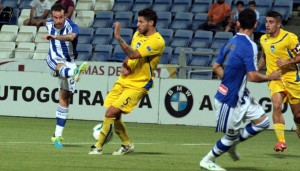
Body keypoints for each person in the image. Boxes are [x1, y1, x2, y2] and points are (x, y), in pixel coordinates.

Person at [199, 9, 282, 171]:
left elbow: (215, 66)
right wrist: (270, 77)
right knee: (230, 137)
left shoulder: (230, 41)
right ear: (256, 25)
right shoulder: (250, 46)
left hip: (241, 95)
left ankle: (230, 145)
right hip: (229, 100)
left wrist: (229, 80)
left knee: (263, 122)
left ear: (237, 23)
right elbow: (252, 76)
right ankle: (207, 160)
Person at [88, 8, 165, 155]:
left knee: (110, 112)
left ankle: (98, 147)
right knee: (114, 114)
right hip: (124, 79)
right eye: (138, 21)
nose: (137, 25)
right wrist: (125, 64)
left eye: (141, 22)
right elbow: (130, 54)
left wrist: (118, 37)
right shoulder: (138, 34)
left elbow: (134, 54)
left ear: (151, 23)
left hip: (139, 84)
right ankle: (127, 144)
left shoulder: (157, 41)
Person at [42, 3, 88, 149]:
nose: (59, 20)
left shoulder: (72, 26)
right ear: (52, 17)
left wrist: (55, 37)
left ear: (65, 15)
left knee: (65, 99)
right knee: (60, 67)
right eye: (56, 17)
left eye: (61, 17)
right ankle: (73, 73)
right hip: (54, 60)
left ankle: (57, 136)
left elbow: (71, 37)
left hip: (70, 62)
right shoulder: (48, 23)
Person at [258, 11, 300, 152]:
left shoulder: (290, 38)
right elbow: (264, 57)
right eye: (266, 22)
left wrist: (288, 61)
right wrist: (255, 69)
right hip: (274, 78)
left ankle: (298, 128)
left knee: (298, 115)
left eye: (271, 22)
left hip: (292, 78)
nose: (267, 25)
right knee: (276, 106)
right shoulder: (263, 39)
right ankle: (281, 142)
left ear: (279, 24)